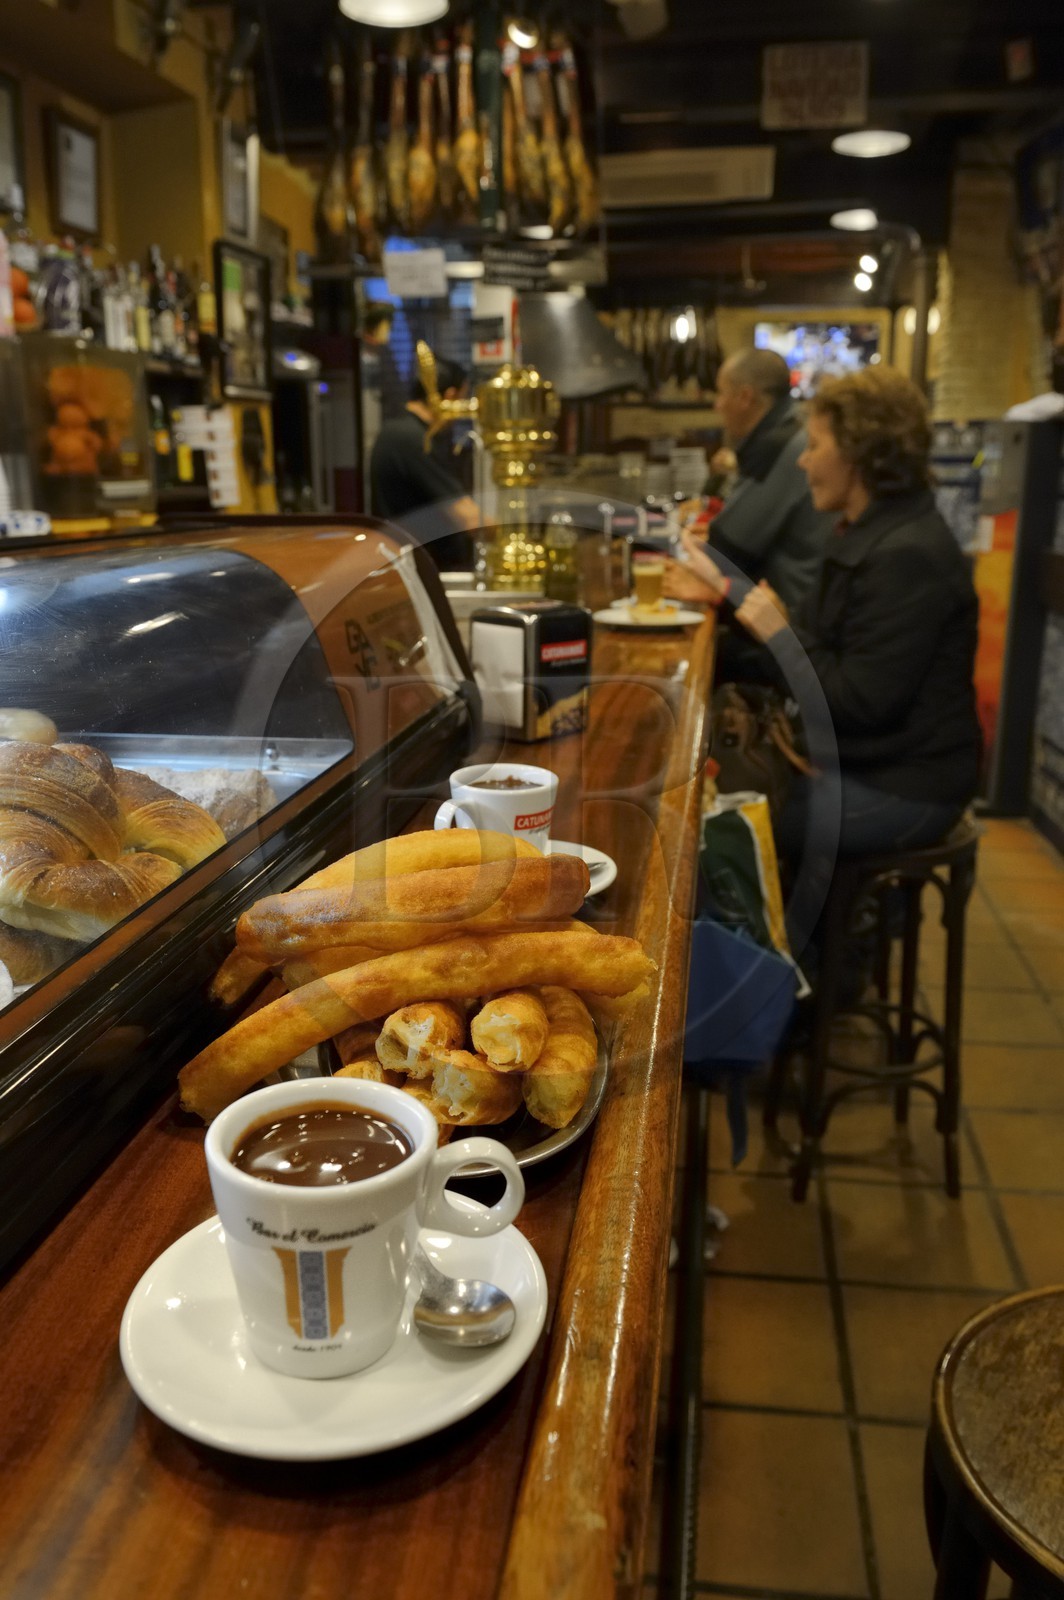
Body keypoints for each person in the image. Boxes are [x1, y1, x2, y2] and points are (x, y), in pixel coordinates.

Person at [680, 366, 981, 859]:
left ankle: (812, 915)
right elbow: (820, 650)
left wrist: (779, 633)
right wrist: (726, 636)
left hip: (905, 788)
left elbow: (856, 704)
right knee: (703, 801)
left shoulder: (906, 555)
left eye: (815, 446)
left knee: (712, 835)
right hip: (861, 765)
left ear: (858, 455)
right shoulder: (864, 531)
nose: (802, 461)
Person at [666, 347, 833, 614]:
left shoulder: (779, 445)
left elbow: (727, 551)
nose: (717, 405)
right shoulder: (788, 428)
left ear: (745, 397)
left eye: (721, 393)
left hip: (790, 615)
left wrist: (701, 539)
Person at [369, 356, 480, 571]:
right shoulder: (413, 439)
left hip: (416, 566)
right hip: (425, 570)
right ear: (450, 396)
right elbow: (470, 519)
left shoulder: (400, 430)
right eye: (463, 399)